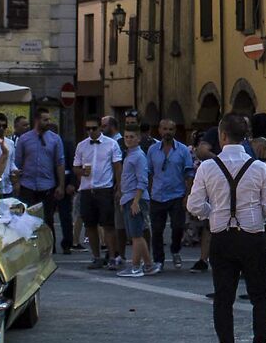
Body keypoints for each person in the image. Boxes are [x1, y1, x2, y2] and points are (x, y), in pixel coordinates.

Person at [188, 111, 266, 343]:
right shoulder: (259, 167)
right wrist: (253, 212)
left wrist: (215, 214)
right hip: (253, 236)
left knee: (223, 296)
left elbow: (194, 204)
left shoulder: (208, 167)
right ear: (246, 138)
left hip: (221, 237)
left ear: (221, 135)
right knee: (262, 294)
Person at [13, 114, 71, 248]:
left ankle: (50, 247)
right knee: (26, 219)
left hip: (47, 185)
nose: (48, 122)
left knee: (48, 218)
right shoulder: (25, 139)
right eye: (45, 120)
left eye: (49, 119)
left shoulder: (55, 139)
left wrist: (61, 185)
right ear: (37, 120)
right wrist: (16, 182)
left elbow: (60, 163)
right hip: (27, 184)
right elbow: (17, 163)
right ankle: (28, 246)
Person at [73, 116, 123, 267]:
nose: (90, 131)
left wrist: (119, 186)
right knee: (90, 225)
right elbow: (75, 167)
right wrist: (81, 172)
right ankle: (96, 257)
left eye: (93, 128)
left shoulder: (111, 144)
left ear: (100, 128)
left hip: (104, 188)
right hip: (87, 189)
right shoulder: (81, 146)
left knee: (108, 225)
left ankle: (113, 257)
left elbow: (117, 166)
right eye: (87, 129)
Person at [146, 120, 196, 267]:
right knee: (156, 230)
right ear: (160, 130)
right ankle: (158, 260)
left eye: (171, 129)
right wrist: (148, 192)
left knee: (178, 227)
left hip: (177, 194)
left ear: (175, 131)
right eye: (165, 129)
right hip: (157, 195)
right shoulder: (153, 150)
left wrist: (188, 195)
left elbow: (189, 173)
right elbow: (149, 172)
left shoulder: (182, 150)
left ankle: (175, 250)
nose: (167, 132)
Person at [116, 124, 154, 276]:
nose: (129, 140)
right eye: (126, 137)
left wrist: (135, 201)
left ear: (138, 138)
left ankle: (136, 267)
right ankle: (148, 265)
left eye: (132, 137)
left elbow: (142, 181)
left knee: (136, 235)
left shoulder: (138, 156)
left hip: (134, 198)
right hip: (128, 197)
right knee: (136, 234)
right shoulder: (130, 155)